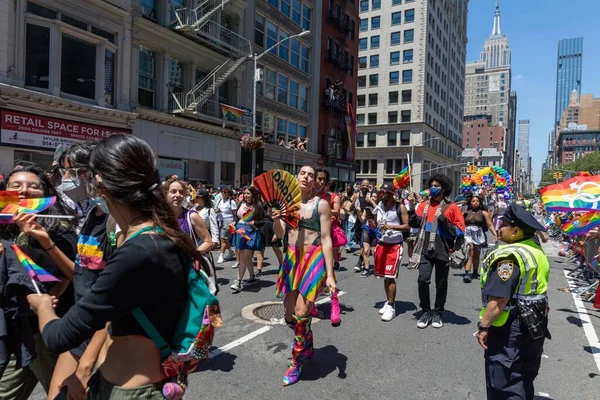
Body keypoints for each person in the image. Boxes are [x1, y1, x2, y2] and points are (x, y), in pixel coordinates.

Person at [25, 134, 211, 399]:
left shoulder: (139, 251)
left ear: (99, 182)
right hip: (129, 379)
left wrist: (41, 305)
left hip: (132, 390)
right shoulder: (157, 236)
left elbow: (59, 336)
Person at [12, 143, 117, 400]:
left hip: (100, 332)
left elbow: (113, 295)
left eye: (71, 172)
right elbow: (82, 274)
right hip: (80, 326)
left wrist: (86, 364)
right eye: (63, 172)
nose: (65, 179)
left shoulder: (117, 223)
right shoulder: (94, 214)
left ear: (91, 174)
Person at [0, 162, 78, 400]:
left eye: (33, 186)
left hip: (48, 330)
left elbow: (75, 274)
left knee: (62, 394)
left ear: (45, 193)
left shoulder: (60, 227)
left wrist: (43, 240)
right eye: (16, 185)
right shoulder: (3, 226)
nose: (24, 190)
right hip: (14, 328)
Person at [476, 202, 551, 400]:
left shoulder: (509, 256)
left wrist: (483, 326)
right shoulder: (535, 250)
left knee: (504, 383)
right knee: (525, 376)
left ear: (516, 230)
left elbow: (499, 300)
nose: (498, 227)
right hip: (536, 323)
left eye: (503, 224)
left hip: (511, 328)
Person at [273, 165, 336, 386]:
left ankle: (295, 362)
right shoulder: (287, 205)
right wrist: (277, 217)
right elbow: (280, 234)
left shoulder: (322, 205)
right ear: (296, 176)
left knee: (302, 312)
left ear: (315, 181)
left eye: (311, 175)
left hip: (313, 259)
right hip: (291, 260)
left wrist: (330, 274)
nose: (307, 177)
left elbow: (327, 239)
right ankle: (307, 340)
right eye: (303, 173)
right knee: (290, 316)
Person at [409, 174, 465, 329]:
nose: (432, 188)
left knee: (441, 283)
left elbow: (459, 231)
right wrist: (412, 207)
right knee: (423, 279)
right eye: (431, 185)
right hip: (425, 248)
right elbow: (415, 223)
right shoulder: (423, 206)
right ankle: (425, 310)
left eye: (436, 186)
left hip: (443, 249)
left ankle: (437, 313)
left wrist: (444, 220)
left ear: (444, 188)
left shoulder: (451, 207)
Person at [373, 184, 409, 322]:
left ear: (391, 193)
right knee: (384, 276)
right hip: (382, 244)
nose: (381, 195)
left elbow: (407, 226)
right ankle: (388, 302)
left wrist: (391, 226)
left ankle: (392, 307)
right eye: (380, 192)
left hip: (394, 245)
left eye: (384, 192)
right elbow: (377, 225)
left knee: (390, 276)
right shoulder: (379, 206)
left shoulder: (400, 207)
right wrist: (372, 224)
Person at [164, 177, 213, 256]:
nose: (178, 195)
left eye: (181, 192)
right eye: (173, 191)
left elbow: (208, 242)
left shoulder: (192, 216)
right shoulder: (159, 217)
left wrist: (192, 256)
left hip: (185, 265)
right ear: (165, 194)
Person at [230, 186, 265, 292]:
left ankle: (238, 282)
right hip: (240, 231)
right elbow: (237, 217)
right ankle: (252, 276)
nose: (245, 195)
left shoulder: (258, 206)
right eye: (244, 193)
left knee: (243, 258)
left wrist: (255, 223)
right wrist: (234, 223)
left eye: (248, 193)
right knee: (247, 256)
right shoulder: (241, 203)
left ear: (253, 194)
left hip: (250, 232)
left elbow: (264, 220)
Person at [463, 195, 498, 283]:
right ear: (470, 203)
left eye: (477, 201)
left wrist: (495, 234)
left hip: (478, 235)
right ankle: (467, 273)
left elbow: (490, 225)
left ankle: (475, 272)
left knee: (476, 255)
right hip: (467, 234)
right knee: (470, 252)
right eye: (473, 201)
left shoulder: (484, 213)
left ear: (480, 203)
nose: (475, 202)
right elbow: (458, 221)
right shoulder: (465, 212)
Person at [215, 186, 237, 264]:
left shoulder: (232, 202)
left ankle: (221, 255)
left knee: (223, 237)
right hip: (220, 220)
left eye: (225, 192)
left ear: (229, 193)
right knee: (224, 238)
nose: (223, 194)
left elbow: (235, 214)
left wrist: (234, 222)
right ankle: (231, 251)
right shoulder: (219, 200)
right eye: (222, 192)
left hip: (229, 221)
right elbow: (216, 209)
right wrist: (217, 211)